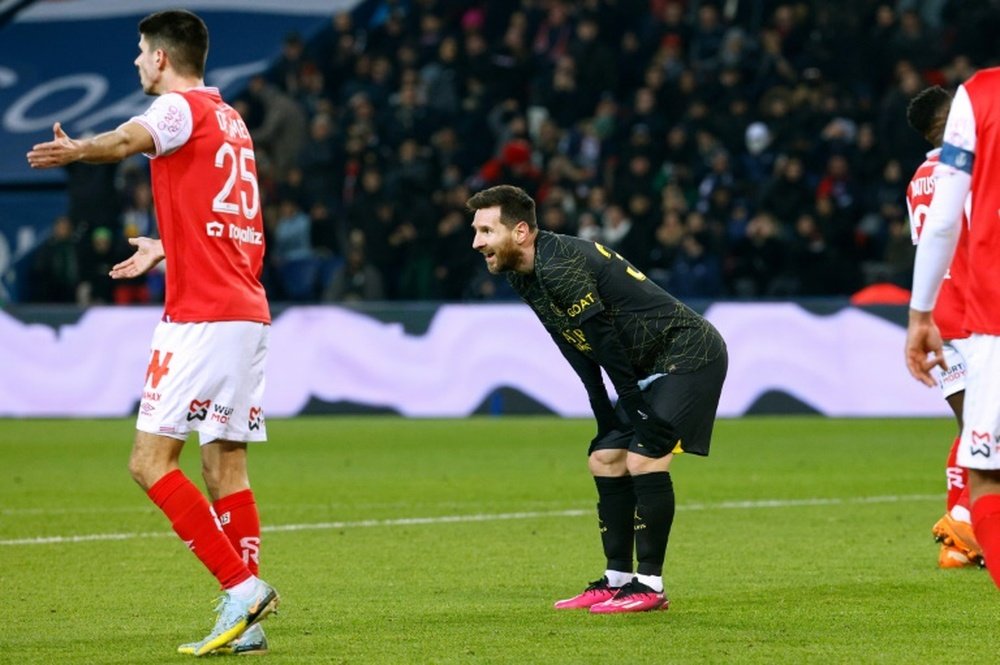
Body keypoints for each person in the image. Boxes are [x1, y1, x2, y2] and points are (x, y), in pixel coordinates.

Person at [26, 9, 279, 653]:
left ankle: (243, 589)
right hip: (245, 310)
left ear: (163, 58)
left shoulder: (178, 107)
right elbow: (231, 210)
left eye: (141, 51)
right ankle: (243, 621)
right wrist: (170, 244)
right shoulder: (232, 120)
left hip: (200, 317)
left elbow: (125, 138)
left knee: (148, 462)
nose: (137, 62)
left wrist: (80, 150)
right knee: (226, 465)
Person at [467, 184, 728, 613]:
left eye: (484, 231)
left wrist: (631, 402)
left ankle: (651, 584)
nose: (476, 242)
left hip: (689, 352)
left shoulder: (559, 263)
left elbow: (603, 338)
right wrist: (603, 412)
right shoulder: (522, 272)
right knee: (605, 456)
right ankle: (618, 578)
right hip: (644, 365)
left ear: (519, 232)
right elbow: (570, 339)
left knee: (646, 455)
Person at [905, 66, 1000, 589]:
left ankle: (962, 529)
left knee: (975, 434)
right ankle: (963, 531)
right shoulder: (966, 164)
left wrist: (920, 312)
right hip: (976, 307)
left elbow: (930, 235)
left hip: (945, 313)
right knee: (980, 439)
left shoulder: (916, 178)